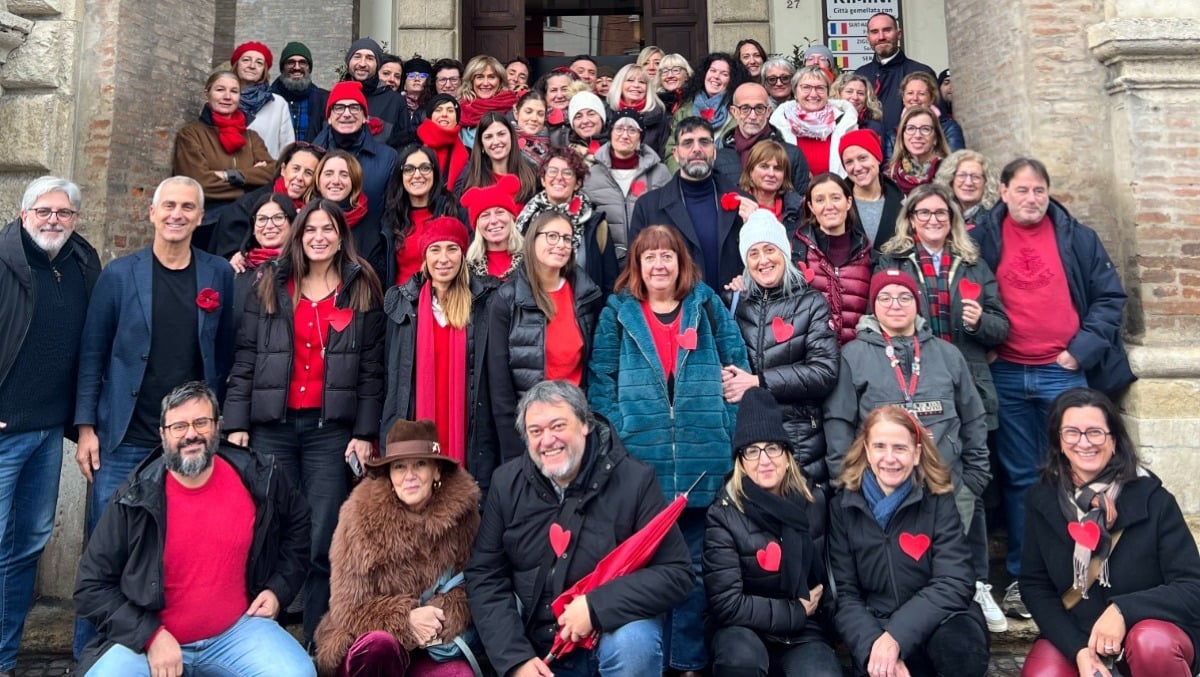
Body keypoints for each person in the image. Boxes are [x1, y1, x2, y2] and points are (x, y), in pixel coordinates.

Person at [73, 177, 235, 657]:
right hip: (125, 436)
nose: (177, 214)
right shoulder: (119, 275)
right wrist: (86, 429)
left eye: (188, 207)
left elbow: (223, 351)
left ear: (200, 217)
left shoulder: (217, 275)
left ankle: (176, 648)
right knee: (104, 549)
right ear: (152, 213)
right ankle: (89, 653)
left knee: (180, 551)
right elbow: (92, 354)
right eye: (169, 206)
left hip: (189, 444)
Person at [971, 158, 1134, 619]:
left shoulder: (1076, 237)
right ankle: (1027, 577)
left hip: (1061, 372)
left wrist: (1078, 352)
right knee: (1023, 478)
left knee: (1081, 473)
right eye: (1022, 190)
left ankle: (1085, 574)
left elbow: (1109, 299)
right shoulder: (982, 237)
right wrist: (984, 340)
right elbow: (965, 293)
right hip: (1006, 371)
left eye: (1039, 190)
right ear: (1002, 192)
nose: (1031, 199)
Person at [586, 225, 750, 675]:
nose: (659, 265)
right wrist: (619, 436)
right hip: (642, 468)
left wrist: (725, 425)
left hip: (703, 463)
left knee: (697, 570)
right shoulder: (618, 312)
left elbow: (737, 368)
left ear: (681, 263)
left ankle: (688, 662)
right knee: (647, 568)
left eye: (667, 257)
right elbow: (600, 384)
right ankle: (647, 661)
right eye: (650, 257)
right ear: (636, 266)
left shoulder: (706, 304)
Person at [224, 199, 385, 648]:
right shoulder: (271, 283)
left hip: (328, 432)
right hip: (271, 426)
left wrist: (364, 432)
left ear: (340, 235)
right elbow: (246, 357)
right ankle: (261, 641)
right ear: (298, 234)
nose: (318, 237)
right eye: (309, 228)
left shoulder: (360, 285)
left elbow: (373, 370)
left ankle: (319, 642)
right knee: (269, 530)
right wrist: (236, 422)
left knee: (321, 538)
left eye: (327, 229)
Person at [73, 381, 313, 676]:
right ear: (163, 434)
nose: (191, 435)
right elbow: (90, 586)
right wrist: (150, 636)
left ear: (218, 426)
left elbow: (299, 524)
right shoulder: (133, 498)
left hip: (237, 632)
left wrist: (279, 588)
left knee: (297, 673)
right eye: (179, 426)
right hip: (150, 640)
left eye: (201, 422)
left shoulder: (260, 477)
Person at [465, 380, 694, 677]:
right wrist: (515, 660)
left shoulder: (635, 481)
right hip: (537, 650)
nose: (547, 440)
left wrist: (595, 606)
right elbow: (485, 575)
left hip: (608, 638)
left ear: (585, 424)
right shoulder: (505, 484)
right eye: (536, 431)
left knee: (635, 644)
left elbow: (677, 573)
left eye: (558, 426)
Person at [876, 183, 1011, 631]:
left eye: (940, 213)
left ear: (952, 218)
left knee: (967, 488)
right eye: (924, 213)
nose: (933, 220)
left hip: (965, 380)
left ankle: (976, 584)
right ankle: (919, 580)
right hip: (910, 386)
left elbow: (1001, 324)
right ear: (910, 218)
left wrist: (981, 321)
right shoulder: (894, 260)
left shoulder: (972, 263)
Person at [1019, 388, 1200, 677]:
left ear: (1113, 440)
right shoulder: (1042, 501)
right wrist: (1078, 649)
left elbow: (1192, 586)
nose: (1084, 443)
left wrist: (1122, 611)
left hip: (1150, 629)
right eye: (1072, 433)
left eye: (1095, 432)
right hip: (1077, 632)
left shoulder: (1153, 499)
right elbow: (1034, 586)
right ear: (1059, 442)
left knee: (1150, 644)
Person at [0, 177, 100, 675]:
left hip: (45, 434)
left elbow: (89, 348)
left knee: (26, 546)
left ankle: (5, 656)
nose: (53, 220)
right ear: (24, 214)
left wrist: (81, 423)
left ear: (75, 220)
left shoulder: (82, 263)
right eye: (44, 211)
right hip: (3, 432)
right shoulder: (3, 262)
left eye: (63, 213)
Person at [824, 268, 991, 554]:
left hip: (950, 487)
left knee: (955, 571)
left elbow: (974, 419)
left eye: (904, 297)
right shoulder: (853, 356)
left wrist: (973, 481)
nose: (895, 305)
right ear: (873, 307)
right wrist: (848, 484)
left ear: (917, 304)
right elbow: (838, 425)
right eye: (885, 297)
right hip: (881, 490)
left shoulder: (948, 354)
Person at [828, 405, 989, 677]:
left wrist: (897, 637)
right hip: (876, 625)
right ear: (866, 451)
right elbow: (844, 595)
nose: (889, 458)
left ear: (916, 454)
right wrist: (876, 646)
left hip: (942, 620)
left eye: (900, 448)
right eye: (880, 446)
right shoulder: (843, 508)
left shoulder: (938, 499)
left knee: (961, 649)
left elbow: (955, 581)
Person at [315, 417, 483, 677]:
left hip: (432, 645)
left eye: (420, 464)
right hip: (369, 642)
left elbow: (478, 582)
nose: (410, 476)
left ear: (437, 470)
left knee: (459, 674)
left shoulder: (464, 514)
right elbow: (346, 609)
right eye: (399, 467)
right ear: (389, 475)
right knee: (379, 646)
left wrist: (440, 614)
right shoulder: (359, 516)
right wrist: (407, 619)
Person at [703, 387, 842, 677]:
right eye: (752, 451)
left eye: (772, 448)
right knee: (742, 661)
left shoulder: (813, 503)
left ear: (787, 453)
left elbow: (830, 580)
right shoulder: (724, 513)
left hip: (805, 630)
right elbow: (726, 604)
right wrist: (794, 611)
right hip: (743, 630)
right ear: (740, 460)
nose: (764, 460)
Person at [380, 217, 500, 491]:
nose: (443, 258)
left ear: (463, 253)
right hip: (417, 419)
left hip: (469, 424)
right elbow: (391, 374)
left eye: (452, 249)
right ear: (424, 256)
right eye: (435, 249)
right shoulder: (402, 303)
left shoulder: (486, 302)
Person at [728, 210, 839, 486]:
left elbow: (824, 371)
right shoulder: (735, 304)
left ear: (784, 252)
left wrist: (759, 382)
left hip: (800, 438)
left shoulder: (811, 303)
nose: (763, 260)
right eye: (753, 253)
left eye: (769, 249)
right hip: (751, 441)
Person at [486, 212, 604, 460]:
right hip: (530, 428)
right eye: (552, 236)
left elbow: (593, 369)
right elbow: (499, 385)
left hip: (573, 425)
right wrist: (515, 450)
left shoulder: (586, 296)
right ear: (532, 239)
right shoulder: (507, 299)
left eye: (567, 239)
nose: (560, 244)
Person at [630, 118, 745, 293]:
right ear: (676, 153)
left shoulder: (743, 203)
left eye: (704, 142)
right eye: (688, 143)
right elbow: (635, 268)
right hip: (675, 312)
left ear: (714, 151)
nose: (697, 149)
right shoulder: (648, 207)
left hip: (732, 311)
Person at [172, 71, 275, 248]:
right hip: (208, 225)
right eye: (220, 89)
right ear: (207, 93)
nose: (227, 96)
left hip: (245, 224)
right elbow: (198, 183)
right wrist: (251, 183)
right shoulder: (191, 135)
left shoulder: (252, 138)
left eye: (234, 91)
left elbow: (273, 174)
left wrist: (231, 176)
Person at [312, 80, 400, 278]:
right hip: (320, 261)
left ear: (365, 117)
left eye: (354, 107)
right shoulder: (314, 156)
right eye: (339, 107)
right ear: (330, 116)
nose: (346, 113)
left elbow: (393, 213)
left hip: (369, 261)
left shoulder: (387, 157)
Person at [513, 147, 618, 294]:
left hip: (583, 310)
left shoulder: (595, 224)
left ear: (578, 183)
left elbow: (609, 280)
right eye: (552, 171)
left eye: (567, 172)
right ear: (543, 180)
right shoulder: (526, 220)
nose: (559, 177)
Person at [789, 173, 872, 345]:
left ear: (848, 202)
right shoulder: (795, 251)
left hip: (856, 359)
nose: (829, 206)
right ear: (810, 206)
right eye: (819, 200)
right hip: (813, 359)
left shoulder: (868, 254)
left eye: (835, 198)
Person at [582, 110, 671, 265]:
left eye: (632, 130)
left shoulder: (660, 172)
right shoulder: (591, 175)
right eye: (619, 128)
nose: (624, 135)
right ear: (610, 133)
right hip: (606, 261)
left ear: (640, 137)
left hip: (649, 259)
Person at [211, 140, 324, 259]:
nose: (300, 177)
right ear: (283, 169)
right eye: (296, 169)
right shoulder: (246, 206)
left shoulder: (316, 208)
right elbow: (229, 256)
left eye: (308, 173)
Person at [382, 143, 467, 287]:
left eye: (425, 168)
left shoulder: (453, 212)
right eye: (409, 169)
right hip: (404, 304)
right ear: (400, 175)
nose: (417, 175)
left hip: (445, 301)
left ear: (435, 173)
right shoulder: (391, 218)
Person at [714, 82, 811, 199]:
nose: (753, 116)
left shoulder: (791, 154)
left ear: (768, 111)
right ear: (734, 112)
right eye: (745, 109)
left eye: (759, 108)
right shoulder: (720, 158)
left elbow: (802, 203)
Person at [853, 12, 937, 131]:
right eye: (874, 32)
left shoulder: (922, 72)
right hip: (867, 147)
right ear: (868, 38)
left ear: (899, 34)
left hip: (907, 146)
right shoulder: (859, 75)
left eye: (887, 30)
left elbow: (939, 121)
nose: (881, 37)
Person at [663, 53, 746, 171]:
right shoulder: (684, 112)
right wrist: (683, 178)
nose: (716, 76)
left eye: (724, 74)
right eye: (713, 71)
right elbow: (671, 151)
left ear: (732, 81)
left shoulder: (738, 113)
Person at [770, 66, 857, 177]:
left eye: (820, 88)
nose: (813, 94)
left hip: (837, 191)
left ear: (827, 93)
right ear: (795, 92)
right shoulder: (780, 122)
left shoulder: (845, 122)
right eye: (806, 87)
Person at [231, 193, 297, 322]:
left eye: (278, 217)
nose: (269, 225)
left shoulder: (303, 265)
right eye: (262, 219)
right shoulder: (238, 268)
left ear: (293, 224)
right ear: (254, 229)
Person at [341, 38, 413, 148]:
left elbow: (403, 144)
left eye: (370, 58)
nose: (362, 63)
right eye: (357, 56)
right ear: (348, 61)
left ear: (377, 65)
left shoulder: (395, 101)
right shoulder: (337, 95)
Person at [838, 129, 903, 249]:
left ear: (878, 158)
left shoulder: (902, 201)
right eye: (849, 162)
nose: (857, 167)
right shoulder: (836, 203)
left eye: (863, 158)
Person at [231, 41, 295, 158]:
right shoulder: (224, 100)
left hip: (266, 173)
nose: (252, 66)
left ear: (264, 71)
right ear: (236, 64)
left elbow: (287, 147)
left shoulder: (278, 104)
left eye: (259, 63)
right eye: (246, 60)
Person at [457, 111, 537, 202]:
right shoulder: (470, 181)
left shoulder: (532, 177)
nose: (496, 141)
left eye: (501, 134)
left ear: (511, 137)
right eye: (488, 137)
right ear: (481, 144)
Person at [730, 140, 803, 231]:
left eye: (777, 168)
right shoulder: (734, 207)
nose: (771, 174)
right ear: (750, 171)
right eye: (764, 167)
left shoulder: (798, 210)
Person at [462, 176, 525, 280]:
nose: (493, 220)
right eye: (485, 215)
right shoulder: (467, 269)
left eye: (500, 212)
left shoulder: (531, 258)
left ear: (511, 218)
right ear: (477, 225)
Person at [270, 41, 330, 143]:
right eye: (290, 62)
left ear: (309, 68)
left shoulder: (323, 100)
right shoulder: (269, 99)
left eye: (302, 62)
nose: (297, 67)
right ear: (282, 68)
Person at [605, 63, 670, 157]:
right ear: (619, 84)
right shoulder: (607, 114)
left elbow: (664, 154)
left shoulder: (659, 116)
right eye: (630, 80)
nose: (636, 85)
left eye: (642, 82)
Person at [458, 55, 519, 149]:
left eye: (491, 77)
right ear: (471, 81)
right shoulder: (460, 111)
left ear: (500, 81)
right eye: (479, 77)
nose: (485, 83)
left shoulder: (515, 108)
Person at [885, 105, 949, 195]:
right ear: (902, 137)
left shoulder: (950, 173)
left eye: (925, 129)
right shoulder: (890, 177)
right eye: (911, 128)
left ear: (935, 138)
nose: (918, 135)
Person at [896, 72, 964, 152]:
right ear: (903, 98)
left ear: (932, 98)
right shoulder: (894, 133)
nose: (915, 98)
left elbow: (955, 160)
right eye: (910, 93)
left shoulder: (948, 128)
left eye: (921, 94)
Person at [416, 94, 470, 192]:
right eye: (438, 110)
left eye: (450, 110)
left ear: (456, 119)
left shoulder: (469, 154)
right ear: (430, 116)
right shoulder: (415, 147)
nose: (444, 114)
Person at [933, 149, 999, 226]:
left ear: (986, 182)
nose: (968, 183)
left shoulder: (995, 219)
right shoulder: (940, 215)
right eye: (961, 175)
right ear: (950, 180)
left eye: (976, 177)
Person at [551, 91, 609, 165]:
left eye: (591, 114)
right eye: (578, 117)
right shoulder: (563, 149)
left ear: (601, 118)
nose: (585, 121)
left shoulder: (616, 145)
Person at [832, 71, 886, 139]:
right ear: (838, 94)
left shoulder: (874, 128)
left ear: (867, 98)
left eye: (860, 93)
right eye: (849, 91)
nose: (855, 97)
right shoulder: (827, 122)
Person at [513, 89, 551, 166]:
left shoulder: (551, 148)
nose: (534, 118)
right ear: (516, 114)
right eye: (528, 112)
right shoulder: (505, 141)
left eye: (540, 114)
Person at [400, 56, 435, 127]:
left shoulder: (434, 106)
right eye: (411, 75)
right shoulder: (396, 104)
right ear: (404, 83)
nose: (417, 79)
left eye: (422, 76)